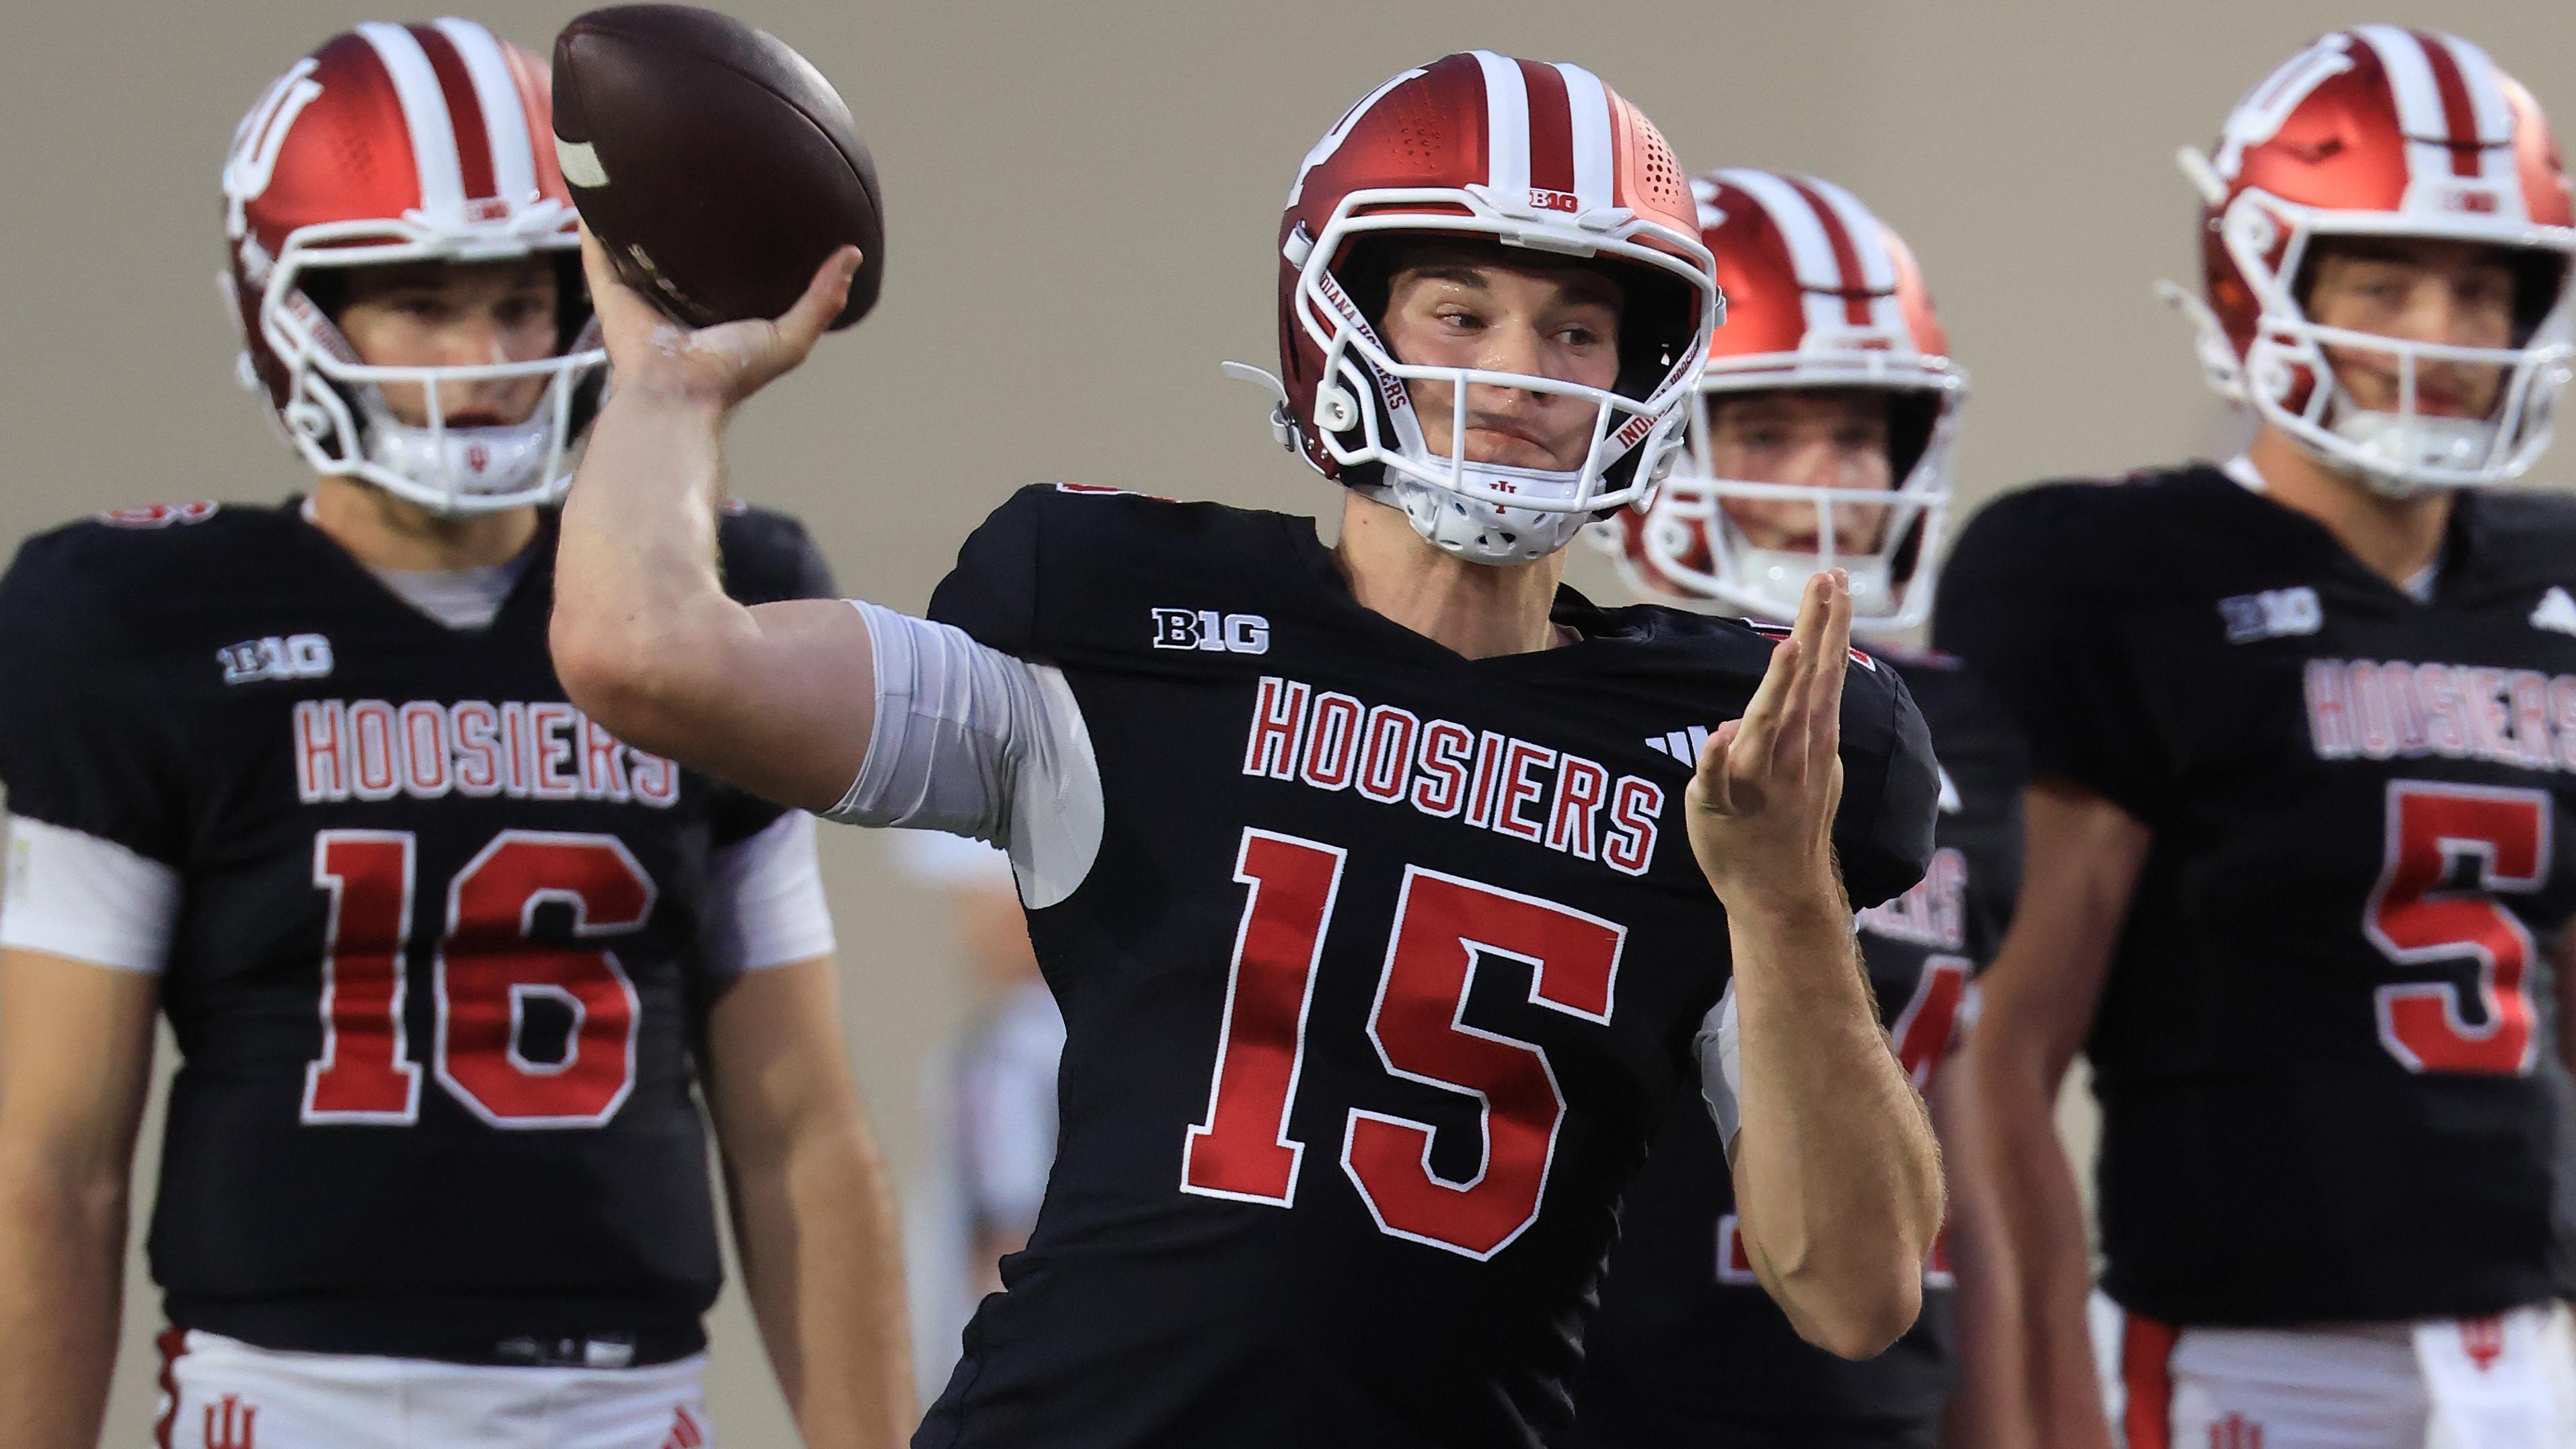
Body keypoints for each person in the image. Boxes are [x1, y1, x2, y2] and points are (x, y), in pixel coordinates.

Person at [549, 50, 1947, 1449]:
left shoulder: (1715, 750)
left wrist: (1785, 898)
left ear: (1641, 370)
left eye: (1575, 331)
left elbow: (1857, 1293)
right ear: (1337, 320)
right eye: (1463, 314)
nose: (1522, 373)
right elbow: (643, 654)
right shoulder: (1132, 631)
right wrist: (666, 394)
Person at [0, 21, 910, 1448]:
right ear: (294, 313)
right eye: (420, 303)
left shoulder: (704, 600)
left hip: (628, 1404)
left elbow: (799, 1131)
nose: (482, 358)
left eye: (521, 301)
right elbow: (55, 1162)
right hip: (288, 1401)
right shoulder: (134, 622)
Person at [1937, 27, 2576, 1448]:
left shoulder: (2556, 581)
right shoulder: (2119, 570)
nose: (2441, 331)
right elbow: (2003, 1058)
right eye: (2385, 279)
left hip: (2526, 1356)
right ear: (2260, 282)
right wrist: (2041, 1402)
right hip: (2247, 1363)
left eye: (2484, 286)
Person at [1579, 170, 2022, 1449]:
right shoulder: (1566, 687)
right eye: (1767, 434)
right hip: (1590, 1394)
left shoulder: (1950, 724)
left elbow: (1965, 1124)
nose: (1828, 479)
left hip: (1868, 1383)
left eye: (1857, 433)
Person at [886, 830, 1063, 1403]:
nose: (962, 922)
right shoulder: (1066, 1039)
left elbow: (1011, 1242)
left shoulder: (1016, 1052)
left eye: (970, 896)